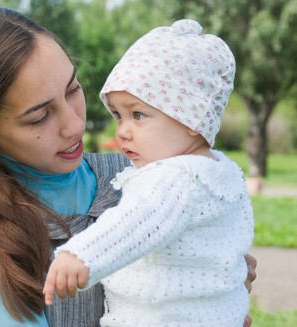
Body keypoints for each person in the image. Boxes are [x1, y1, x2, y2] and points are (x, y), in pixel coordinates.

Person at [0, 7, 256, 327]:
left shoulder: (134, 174)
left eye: (73, 90)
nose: (74, 125)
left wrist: (218, 281)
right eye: (40, 116)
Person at [43, 19, 255, 327]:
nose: (123, 132)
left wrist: (80, 255)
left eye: (138, 115)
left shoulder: (175, 179)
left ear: (191, 118)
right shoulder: (222, 172)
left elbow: (132, 223)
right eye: (118, 115)